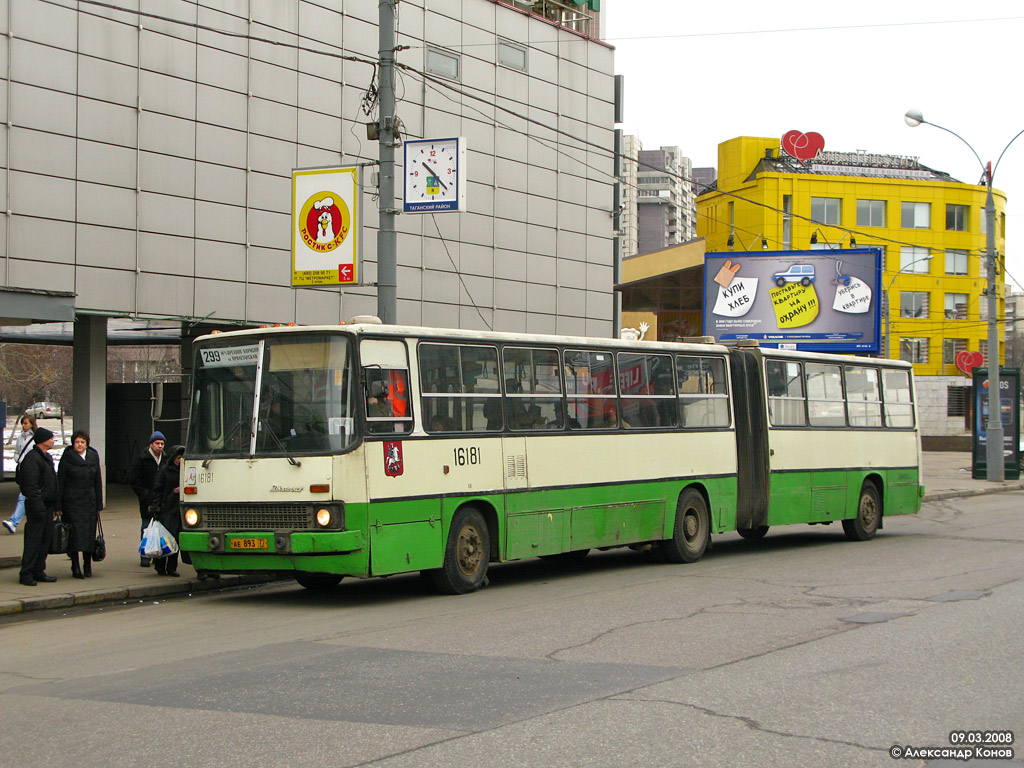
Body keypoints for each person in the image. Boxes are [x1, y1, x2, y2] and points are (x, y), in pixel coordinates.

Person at [56, 430, 103, 579]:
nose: (79, 445)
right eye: (77, 442)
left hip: (89, 502)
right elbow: (61, 482)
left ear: (87, 443)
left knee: (89, 535)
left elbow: (98, 481)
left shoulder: (93, 456)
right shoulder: (67, 458)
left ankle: (87, 565)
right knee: (74, 536)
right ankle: (75, 566)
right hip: (72, 502)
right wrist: (58, 506)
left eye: (82, 442)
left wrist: (98, 504)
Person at [17, 428, 58, 586]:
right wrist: (39, 506)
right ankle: (26, 573)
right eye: (51, 438)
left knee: (44, 540)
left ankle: (38, 570)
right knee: (33, 541)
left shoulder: (45, 457)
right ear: (43, 440)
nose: (53, 441)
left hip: (46, 505)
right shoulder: (32, 459)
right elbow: (31, 486)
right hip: (37, 506)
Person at [128, 431, 167, 567]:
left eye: (162, 444)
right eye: (157, 443)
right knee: (146, 527)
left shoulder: (166, 459)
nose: (160, 446)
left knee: (161, 528)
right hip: (147, 500)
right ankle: (145, 555)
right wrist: (144, 495)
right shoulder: (141, 459)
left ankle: (158, 555)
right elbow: (134, 480)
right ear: (151, 444)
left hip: (162, 500)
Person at [151, 445, 184, 577]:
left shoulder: (185, 470)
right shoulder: (165, 471)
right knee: (165, 539)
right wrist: (156, 507)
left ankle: (171, 567)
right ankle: (160, 566)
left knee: (175, 540)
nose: (179, 461)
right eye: (177, 458)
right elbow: (157, 489)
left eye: (181, 458)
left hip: (178, 510)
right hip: (166, 509)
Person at [3, 414, 37, 533]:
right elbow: (17, 452)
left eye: (26, 423)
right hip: (23, 470)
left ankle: (14, 521)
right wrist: (19, 460)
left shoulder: (35, 437)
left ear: (32, 424)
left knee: (23, 496)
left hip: (32, 471)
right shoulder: (20, 437)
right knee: (26, 497)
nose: (23, 425)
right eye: (22, 423)